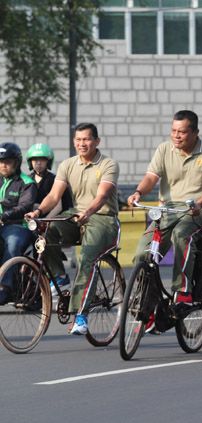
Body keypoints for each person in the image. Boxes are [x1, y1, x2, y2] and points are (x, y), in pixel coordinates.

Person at [24, 124, 120, 335]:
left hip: (102, 218)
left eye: (86, 139)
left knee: (87, 259)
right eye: (78, 140)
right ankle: (59, 277)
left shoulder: (108, 164)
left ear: (97, 141)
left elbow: (102, 196)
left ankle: (81, 316)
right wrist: (38, 212)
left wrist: (89, 212)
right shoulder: (67, 165)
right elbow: (54, 196)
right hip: (75, 216)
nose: (81, 144)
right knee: (44, 233)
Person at [127, 110, 202, 309]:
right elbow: (151, 178)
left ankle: (182, 291)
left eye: (181, 132)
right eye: (173, 131)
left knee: (181, 234)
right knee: (142, 255)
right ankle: (150, 298)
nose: (176, 136)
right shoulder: (164, 149)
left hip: (197, 211)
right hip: (167, 210)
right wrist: (139, 192)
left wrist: (200, 204)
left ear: (195, 132)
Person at [0, 143, 36, 305]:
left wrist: (5, 215)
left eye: (7, 161)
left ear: (17, 162)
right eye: (0, 162)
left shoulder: (26, 182)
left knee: (12, 244)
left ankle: (5, 288)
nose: (3, 165)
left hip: (18, 226)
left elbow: (25, 206)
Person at [25, 143, 73, 216]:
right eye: (35, 160)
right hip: (31, 219)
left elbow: (58, 206)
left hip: (52, 218)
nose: (38, 163)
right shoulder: (26, 180)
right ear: (30, 162)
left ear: (48, 161)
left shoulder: (56, 180)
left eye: (42, 160)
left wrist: (46, 221)